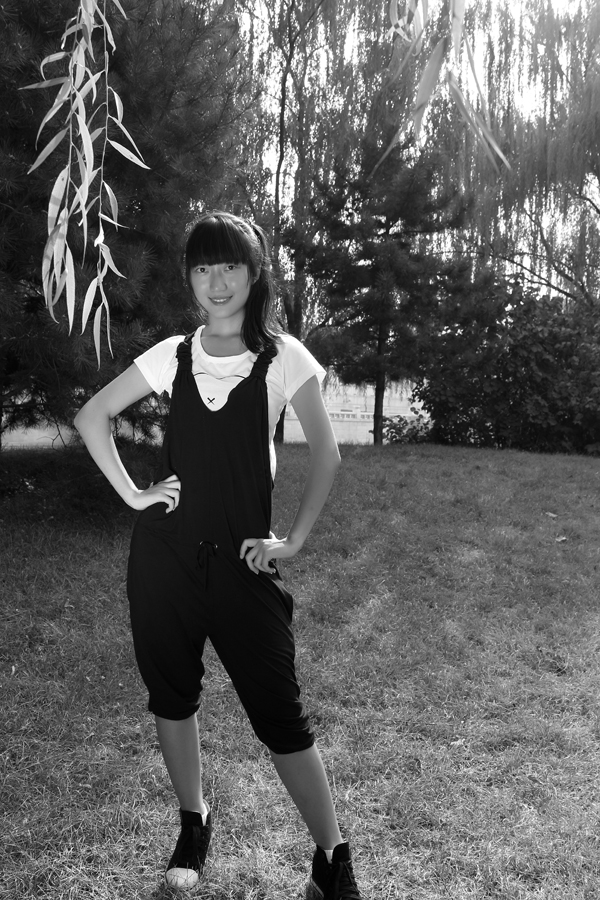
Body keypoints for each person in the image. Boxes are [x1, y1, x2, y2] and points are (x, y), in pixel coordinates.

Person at [74, 211, 364, 900]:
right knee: (172, 697)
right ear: (190, 278)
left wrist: (292, 540)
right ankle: (193, 822)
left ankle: (332, 860)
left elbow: (326, 454)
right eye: (202, 267)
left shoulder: (283, 357)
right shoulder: (173, 354)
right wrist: (134, 495)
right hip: (164, 563)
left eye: (229, 264)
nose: (216, 280)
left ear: (255, 272)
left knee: (281, 715)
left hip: (243, 565)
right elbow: (92, 416)